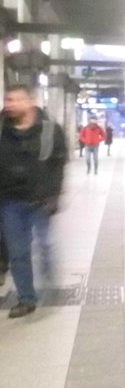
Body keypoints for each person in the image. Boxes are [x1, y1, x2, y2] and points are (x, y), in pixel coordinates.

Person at [0, 84, 67, 318]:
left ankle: (48, 277)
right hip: (10, 202)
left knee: (45, 244)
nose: (9, 105)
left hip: (41, 200)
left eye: (15, 100)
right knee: (18, 252)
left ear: (30, 101)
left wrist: (54, 194)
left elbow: (59, 162)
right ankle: (26, 299)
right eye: (7, 100)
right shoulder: (1, 128)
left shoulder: (50, 129)